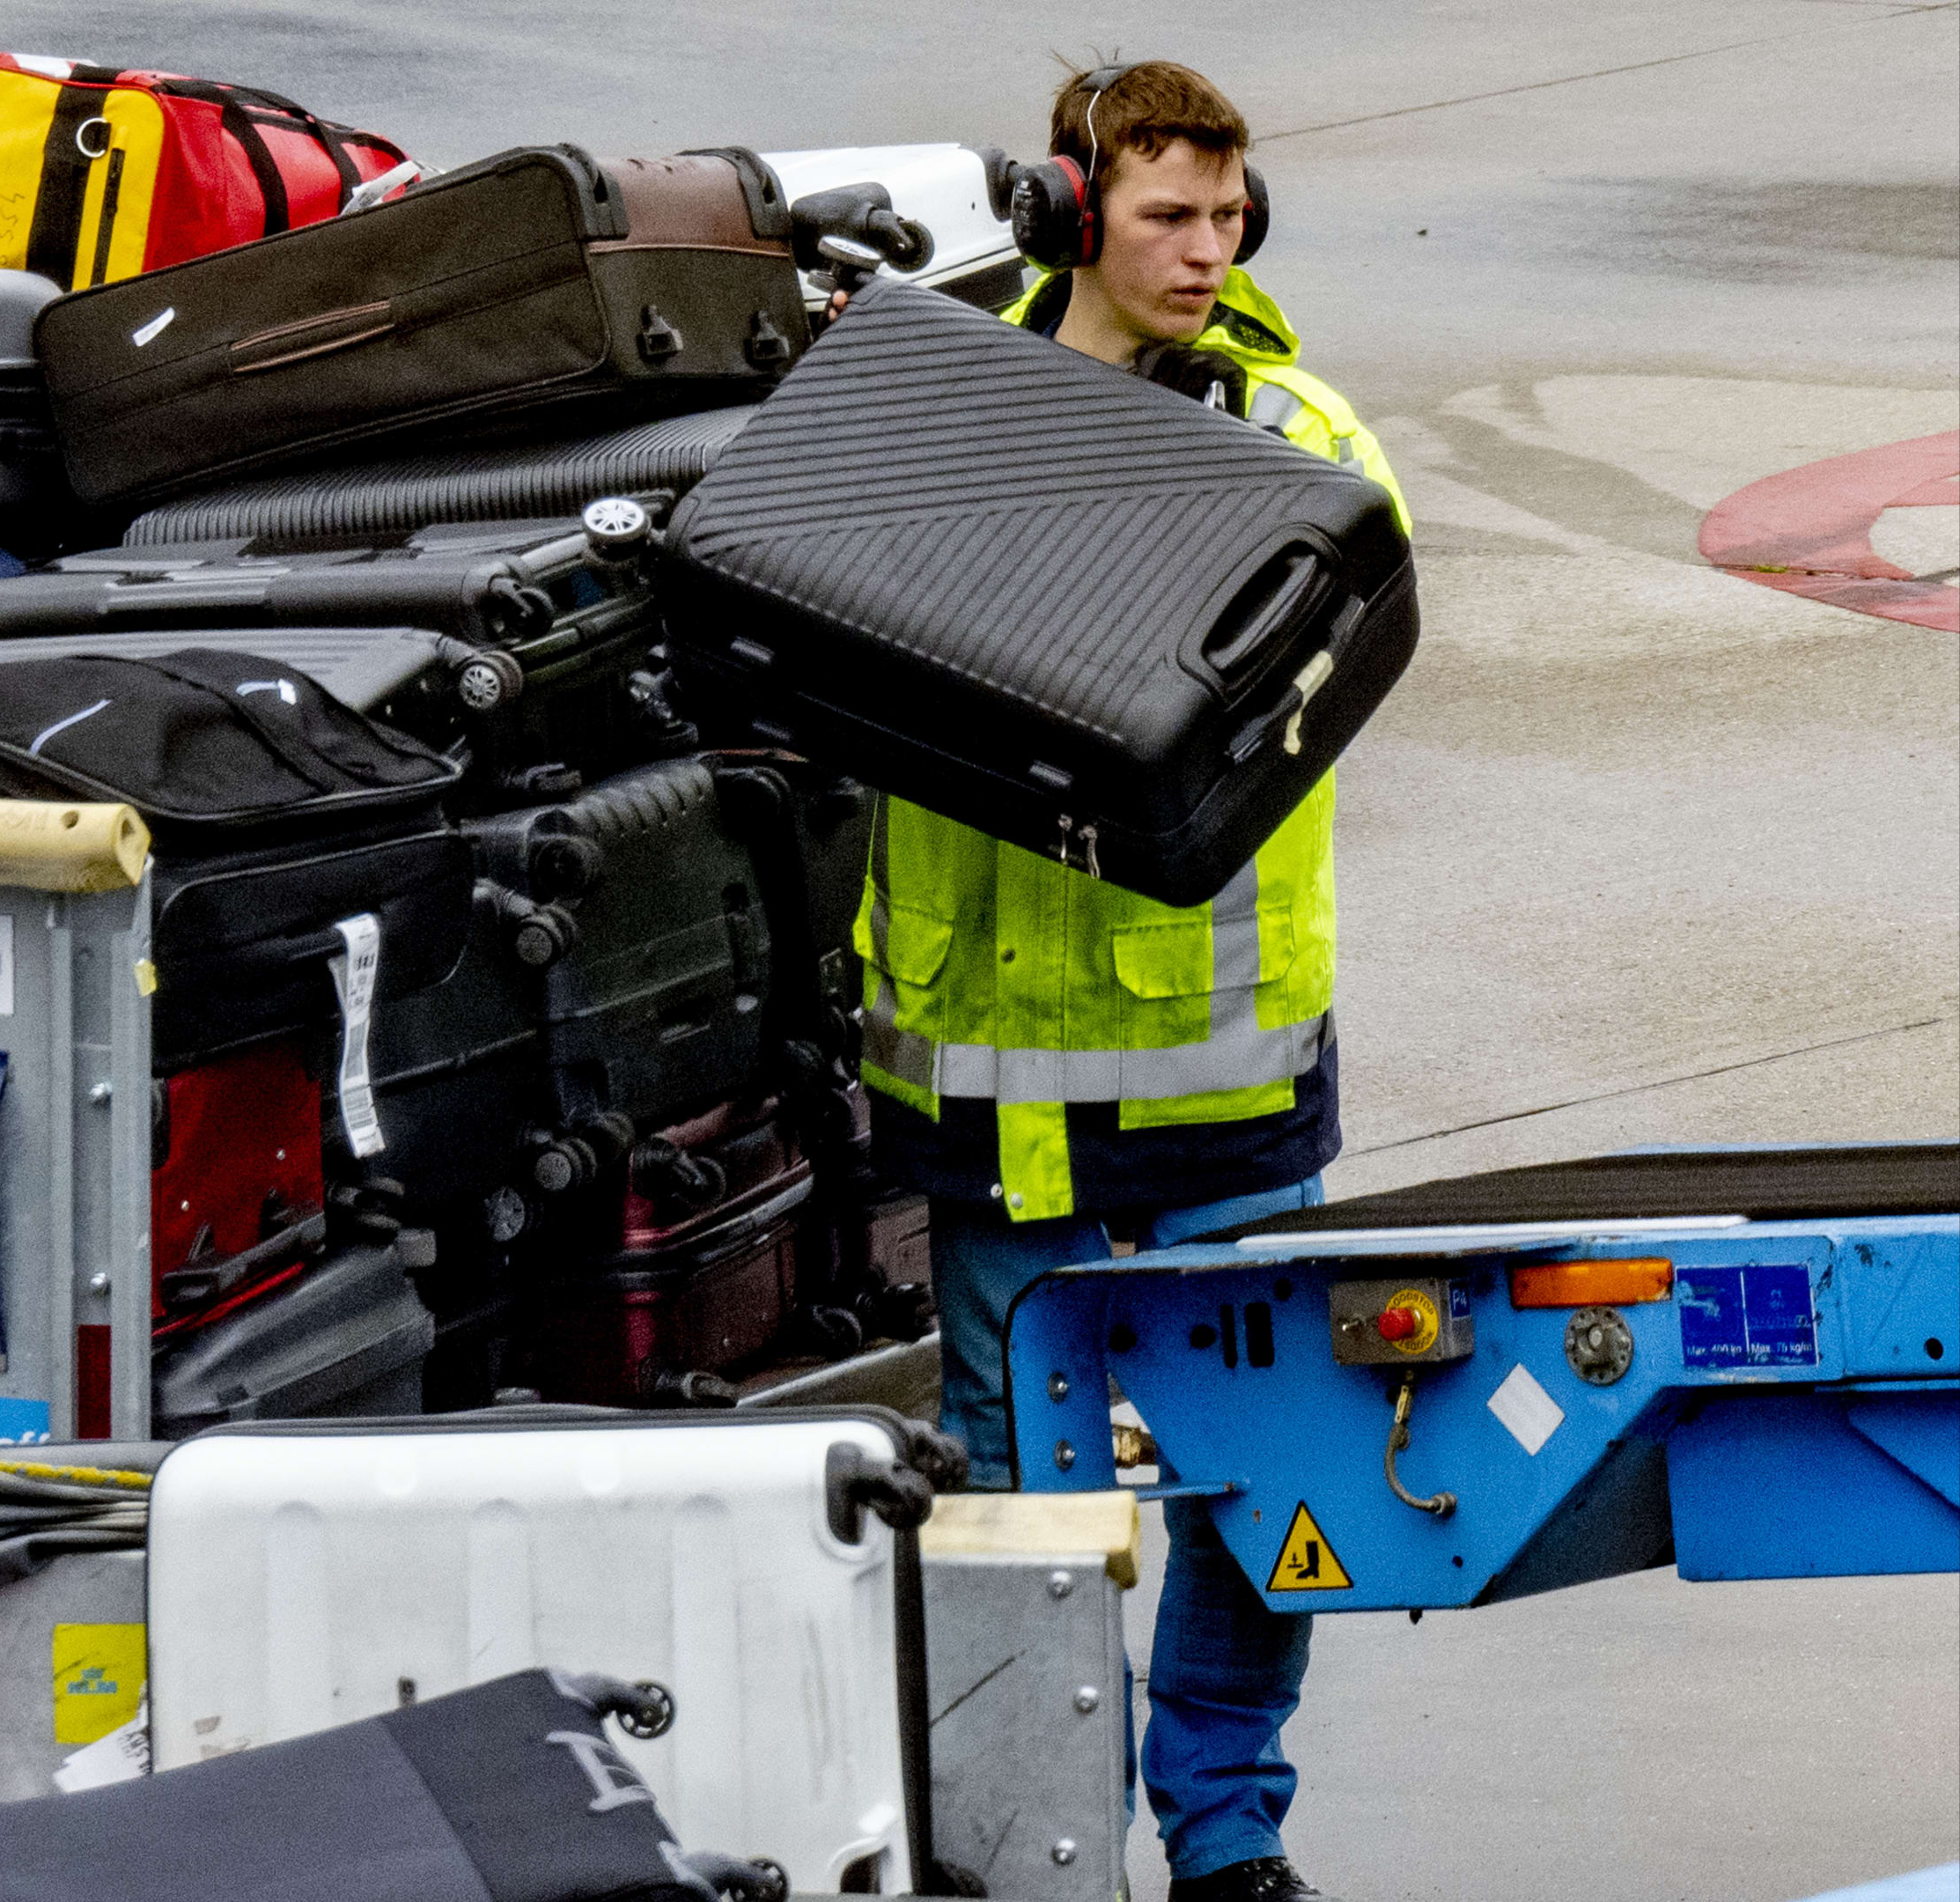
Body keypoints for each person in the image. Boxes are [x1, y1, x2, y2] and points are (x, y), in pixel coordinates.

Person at [847, 59, 1410, 1902]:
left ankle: (1228, 1835)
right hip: (997, 1123)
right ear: (1077, 209)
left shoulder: (1300, 437)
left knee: (1264, 1513)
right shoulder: (932, 410)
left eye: (1231, 216)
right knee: (1024, 1530)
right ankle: (1037, 1845)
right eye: (1169, 212)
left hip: (1224, 1099)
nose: (1206, 248)